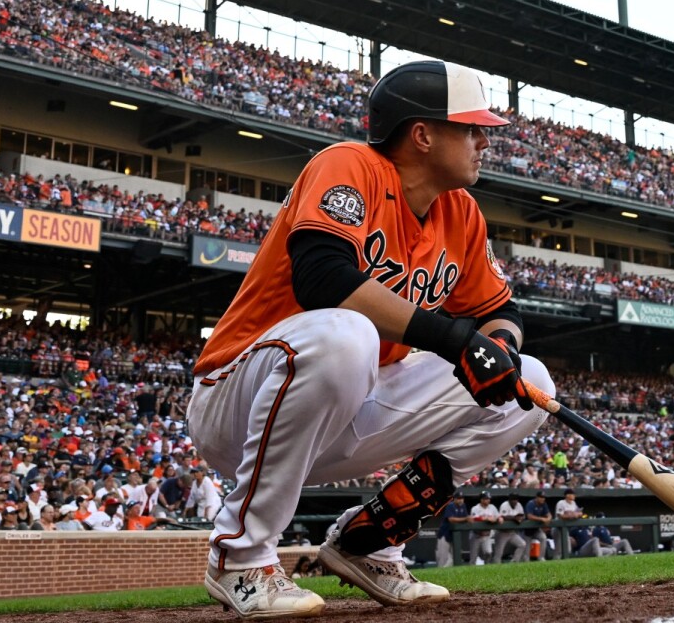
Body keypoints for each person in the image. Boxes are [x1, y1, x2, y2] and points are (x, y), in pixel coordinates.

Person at [187, 59, 556, 618]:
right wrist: (457, 341)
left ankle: (368, 542)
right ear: (423, 135)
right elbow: (324, 280)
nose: (485, 140)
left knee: (529, 379)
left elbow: (497, 309)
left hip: (346, 406)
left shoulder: (461, 212)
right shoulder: (349, 165)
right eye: (471, 128)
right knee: (346, 333)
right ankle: (241, 557)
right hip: (238, 398)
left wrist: (495, 347)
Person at [435, 493, 470, 568]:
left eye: (462, 498)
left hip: (454, 535)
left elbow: (466, 517)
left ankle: (453, 571)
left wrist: (469, 519)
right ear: (454, 499)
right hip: (444, 534)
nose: (460, 500)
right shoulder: (450, 505)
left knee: (456, 556)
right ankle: (440, 571)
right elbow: (451, 519)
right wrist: (466, 519)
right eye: (458, 498)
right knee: (443, 557)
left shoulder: (463, 506)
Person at [493, 492, 528, 563]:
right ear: (509, 500)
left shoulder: (519, 505)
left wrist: (520, 518)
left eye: (516, 499)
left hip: (512, 532)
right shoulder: (504, 505)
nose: (515, 501)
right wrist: (514, 518)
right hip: (502, 533)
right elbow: (503, 516)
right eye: (513, 499)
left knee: (522, 544)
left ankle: (515, 561)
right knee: (499, 553)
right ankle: (495, 567)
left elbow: (523, 516)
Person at [467, 490, 501, 564]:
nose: (488, 500)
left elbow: (498, 517)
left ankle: (486, 566)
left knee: (488, 552)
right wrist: (485, 518)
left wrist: (499, 518)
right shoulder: (475, 508)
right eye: (485, 499)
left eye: (488, 498)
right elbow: (474, 518)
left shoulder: (492, 507)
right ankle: (471, 570)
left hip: (486, 534)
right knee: (473, 557)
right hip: (476, 535)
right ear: (481, 499)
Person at [523, 489, 554, 561]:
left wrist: (548, 518)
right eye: (541, 497)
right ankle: (526, 561)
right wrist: (542, 519)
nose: (543, 499)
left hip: (536, 529)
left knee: (543, 537)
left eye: (543, 497)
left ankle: (541, 557)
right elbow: (529, 516)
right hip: (527, 530)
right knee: (527, 550)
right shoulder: (531, 503)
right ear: (536, 497)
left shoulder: (544, 504)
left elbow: (549, 514)